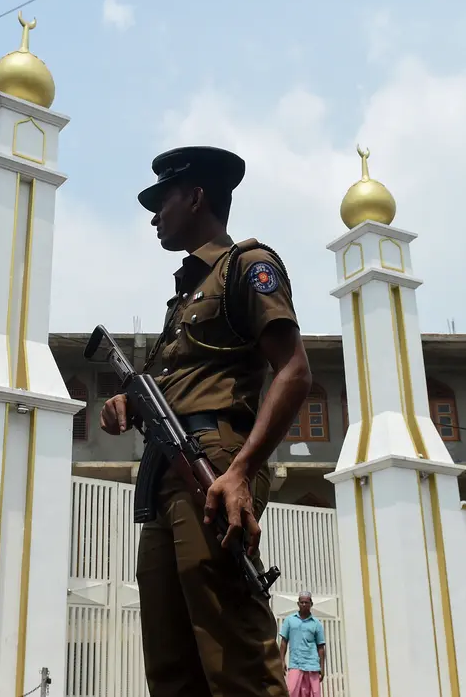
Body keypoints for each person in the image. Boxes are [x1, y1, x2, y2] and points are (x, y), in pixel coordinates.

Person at [100, 145, 313, 697]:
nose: (154, 215)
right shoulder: (184, 295)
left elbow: (294, 372)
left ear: (195, 196)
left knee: (233, 654)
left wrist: (241, 471)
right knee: (171, 665)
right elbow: (177, 383)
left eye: (162, 200)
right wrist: (129, 403)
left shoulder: (248, 265)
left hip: (214, 464)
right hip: (167, 470)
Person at [279, 591, 326, 696]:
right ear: (298, 604)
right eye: (302, 602)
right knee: (292, 692)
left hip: (312, 665)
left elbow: (321, 648)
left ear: (311, 604)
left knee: (314, 694)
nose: (304, 604)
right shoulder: (289, 620)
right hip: (296, 664)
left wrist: (322, 668)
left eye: (306, 602)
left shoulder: (316, 624)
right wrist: (282, 661)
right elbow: (283, 643)